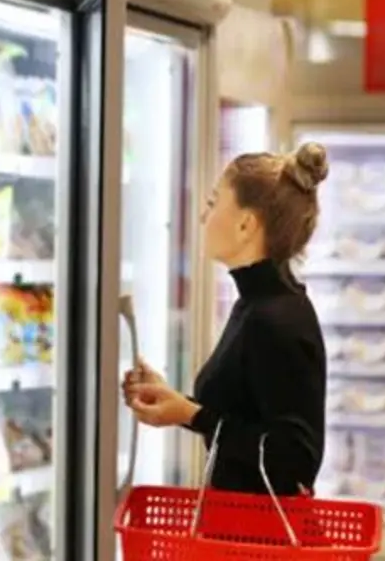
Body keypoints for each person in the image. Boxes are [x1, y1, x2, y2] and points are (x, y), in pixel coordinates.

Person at [122, 142, 329, 496]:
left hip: (259, 543)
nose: (204, 217)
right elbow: (249, 417)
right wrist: (176, 403)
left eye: (213, 203)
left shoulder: (275, 318)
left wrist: (190, 414)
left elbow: (294, 459)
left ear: (246, 225)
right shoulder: (258, 304)